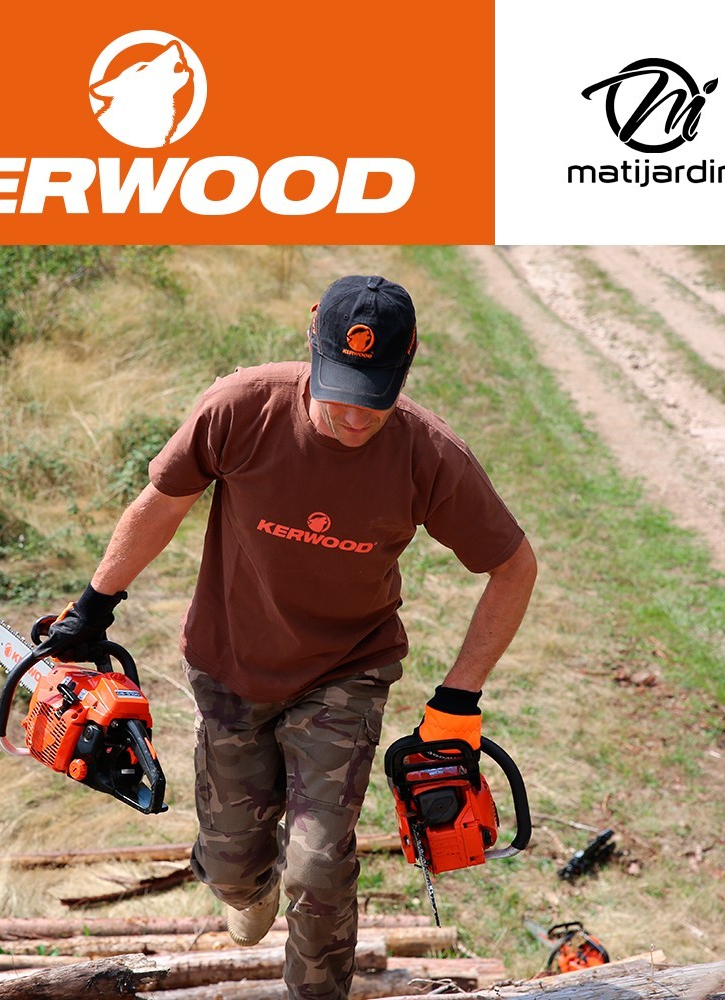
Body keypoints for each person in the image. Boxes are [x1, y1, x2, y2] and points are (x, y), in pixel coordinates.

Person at [42, 274, 538, 1000]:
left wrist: (459, 698)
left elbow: (514, 567)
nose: (356, 415)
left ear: (406, 365)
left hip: (346, 670)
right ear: (314, 347)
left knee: (317, 864)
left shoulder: (428, 455)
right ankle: (245, 889)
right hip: (230, 662)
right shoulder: (240, 409)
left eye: (376, 396)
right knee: (231, 865)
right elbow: (163, 503)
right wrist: (93, 606)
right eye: (341, 391)